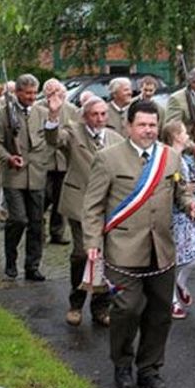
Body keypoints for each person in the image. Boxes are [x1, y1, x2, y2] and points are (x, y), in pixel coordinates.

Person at [83, 100, 195, 388]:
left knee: (160, 313)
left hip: (161, 249)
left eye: (152, 125)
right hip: (123, 249)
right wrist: (92, 243)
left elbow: (181, 194)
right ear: (128, 126)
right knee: (126, 309)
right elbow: (92, 206)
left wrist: (192, 206)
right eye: (142, 124)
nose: (148, 130)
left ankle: (150, 368)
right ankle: (122, 363)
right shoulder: (108, 158)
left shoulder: (170, 157)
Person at [45, 95, 122, 328]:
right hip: (80, 203)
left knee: (106, 256)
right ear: (85, 116)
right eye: (94, 114)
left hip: (108, 207)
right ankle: (76, 304)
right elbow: (54, 139)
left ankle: (101, 307)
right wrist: (53, 114)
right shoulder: (73, 132)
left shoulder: (115, 138)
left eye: (103, 114)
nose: (99, 118)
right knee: (82, 253)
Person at [0, 73, 50, 280]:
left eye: (34, 93)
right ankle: (11, 258)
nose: (32, 97)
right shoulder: (2, 114)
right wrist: (9, 158)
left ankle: (32, 266)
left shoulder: (43, 113)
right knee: (18, 219)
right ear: (17, 92)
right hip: (14, 175)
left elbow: (52, 139)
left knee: (36, 223)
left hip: (37, 175)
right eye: (27, 93)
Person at [161, 120, 195, 319]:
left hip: (187, 212)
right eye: (184, 132)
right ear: (176, 136)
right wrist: (185, 189)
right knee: (174, 259)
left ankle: (181, 282)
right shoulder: (168, 158)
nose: (187, 135)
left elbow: (186, 184)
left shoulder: (185, 157)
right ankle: (172, 300)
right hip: (173, 214)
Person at [38, 78, 75, 245]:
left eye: (57, 91)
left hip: (63, 161)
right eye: (50, 92)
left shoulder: (71, 109)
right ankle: (38, 230)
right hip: (43, 160)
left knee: (61, 199)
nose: (54, 95)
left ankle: (57, 232)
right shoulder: (38, 109)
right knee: (42, 198)